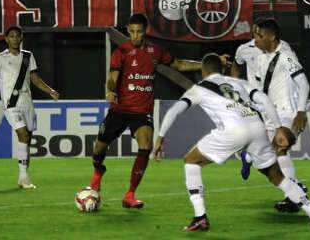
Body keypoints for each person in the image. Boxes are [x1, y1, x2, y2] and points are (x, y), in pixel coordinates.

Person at [153, 53, 310, 231]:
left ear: (203, 70)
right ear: (221, 69)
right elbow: (264, 99)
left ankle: (200, 217)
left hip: (233, 130)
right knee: (278, 177)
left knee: (191, 161)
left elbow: (176, 110)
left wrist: (160, 136)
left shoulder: (199, 89)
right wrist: (277, 128)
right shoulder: (240, 83)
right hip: (257, 126)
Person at [88, 13, 225, 209]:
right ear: (128, 30)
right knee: (99, 149)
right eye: (132, 32)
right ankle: (98, 172)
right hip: (119, 110)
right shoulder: (121, 52)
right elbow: (112, 77)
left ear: (145, 32)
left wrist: (206, 64)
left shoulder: (155, 51)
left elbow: (178, 64)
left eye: (139, 32)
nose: (135, 36)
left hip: (142, 111)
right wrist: (110, 90)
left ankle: (130, 195)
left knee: (145, 147)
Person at [0, 25, 59, 189]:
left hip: (27, 101)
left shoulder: (28, 57)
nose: (15, 38)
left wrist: (50, 91)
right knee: (22, 134)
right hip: (11, 104)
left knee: (27, 138)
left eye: (17, 36)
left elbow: (35, 80)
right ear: (6, 39)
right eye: (12, 36)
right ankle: (24, 177)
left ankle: (23, 175)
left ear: (21, 38)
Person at [253, 18, 310, 212]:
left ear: (272, 36)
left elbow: (304, 83)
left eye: (259, 35)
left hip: (288, 112)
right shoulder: (260, 59)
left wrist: (301, 111)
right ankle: (295, 189)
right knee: (266, 160)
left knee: (280, 147)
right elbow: (262, 90)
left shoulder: (286, 56)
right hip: (270, 116)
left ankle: (293, 196)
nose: (256, 40)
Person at [231, 19, 294, 180]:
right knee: (277, 146)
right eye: (256, 31)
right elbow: (237, 65)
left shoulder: (283, 48)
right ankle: (293, 189)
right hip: (256, 103)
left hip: (276, 101)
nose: (256, 33)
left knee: (274, 146)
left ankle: (248, 157)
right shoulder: (244, 49)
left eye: (259, 31)